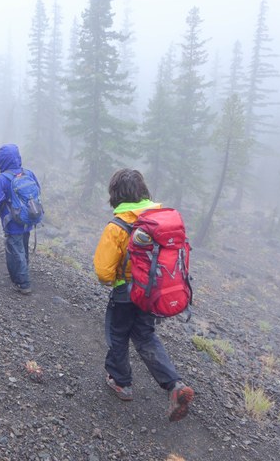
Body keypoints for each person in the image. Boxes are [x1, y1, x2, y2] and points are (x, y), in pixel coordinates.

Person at [93, 168, 194, 422]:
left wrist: (113, 281)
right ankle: (174, 385)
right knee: (146, 337)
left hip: (124, 292)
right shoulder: (156, 221)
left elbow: (103, 271)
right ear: (143, 192)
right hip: (151, 293)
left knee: (117, 334)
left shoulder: (117, 226)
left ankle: (121, 381)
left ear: (115, 194)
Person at [0, 144, 40, 295]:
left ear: (1, 161)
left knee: (15, 250)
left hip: (12, 222)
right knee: (22, 247)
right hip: (29, 219)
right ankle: (22, 272)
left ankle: (23, 283)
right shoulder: (28, 173)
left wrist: (5, 201)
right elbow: (37, 191)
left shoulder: (4, 178)